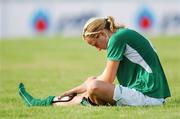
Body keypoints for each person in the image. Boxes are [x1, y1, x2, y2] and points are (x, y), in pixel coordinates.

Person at [18, 16, 171, 107]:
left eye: (95, 44)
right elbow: (104, 76)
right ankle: (49, 101)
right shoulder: (123, 34)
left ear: (102, 34)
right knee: (91, 81)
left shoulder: (116, 39)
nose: (98, 49)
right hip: (148, 93)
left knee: (93, 86)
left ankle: (51, 102)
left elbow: (108, 79)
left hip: (149, 96)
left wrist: (81, 91)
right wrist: (77, 89)